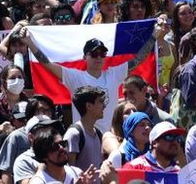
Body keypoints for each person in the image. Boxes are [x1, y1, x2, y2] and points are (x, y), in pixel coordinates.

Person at [17, 16, 169, 132]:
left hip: (111, 136)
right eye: (94, 54)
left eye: (102, 54)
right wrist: (30, 42)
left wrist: (154, 35)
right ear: (85, 57)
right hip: (85, 138)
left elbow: (138, 59)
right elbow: (47, 64)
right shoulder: (75, 77)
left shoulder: (114, 74)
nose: (99, 57)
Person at [27, 125, 96, 184]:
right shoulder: (38, 182)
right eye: (55, 147)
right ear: (43, 155)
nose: (62, 148)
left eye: (63, 143)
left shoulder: (77, 173)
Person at [63, 86, 105, 173]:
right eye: (100, 102)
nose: (104, 106)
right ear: (89, 106)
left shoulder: (99, 133)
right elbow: (70, 171)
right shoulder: (74, 134)